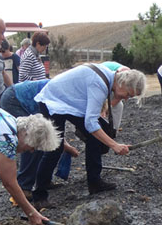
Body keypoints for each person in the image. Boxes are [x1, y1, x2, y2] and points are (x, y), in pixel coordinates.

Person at [32, 64, 147, 207]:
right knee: (55, 146)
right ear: (123, 83)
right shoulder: (99, 83)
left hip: (70, 102)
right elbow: (90, 124)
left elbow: (93, 121)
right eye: (128, 94)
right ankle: (39, 196)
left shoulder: (108, 79)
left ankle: (95, 182)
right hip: (53, 100)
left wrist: (108, 140)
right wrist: (114, 145)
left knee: (96, 137)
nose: (127, 98)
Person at [0, 80, 80, 197]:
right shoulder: (62, 94)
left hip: (19, 97)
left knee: (39, 139)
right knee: (32, 141)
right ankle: (24, 187)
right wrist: (65, 146)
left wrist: (64, 145)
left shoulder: (67, 94)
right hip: (15, 99)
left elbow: (52, 128)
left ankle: (43, 181)